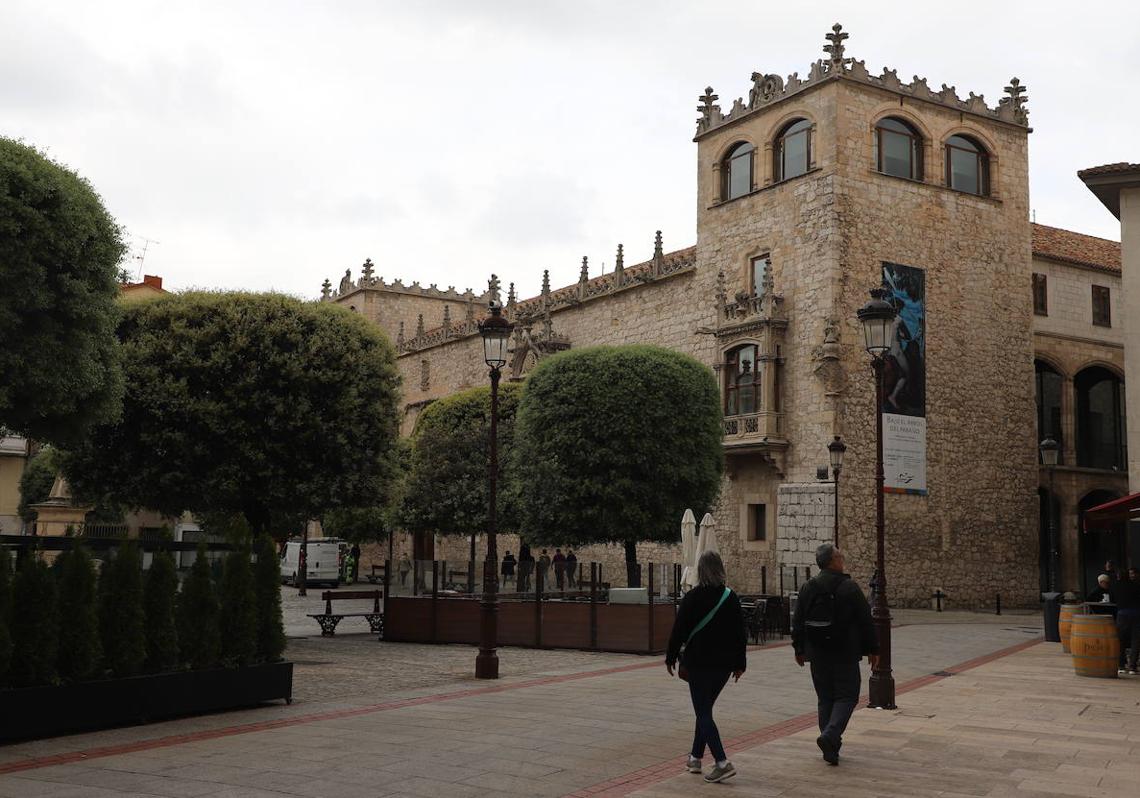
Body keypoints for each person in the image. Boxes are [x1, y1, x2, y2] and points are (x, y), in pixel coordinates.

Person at [792, 543, 879, 766]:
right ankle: (831, 735)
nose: (842, 559)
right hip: (844, 651)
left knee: (825, 698)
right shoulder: (849, 587)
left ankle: (831, 748)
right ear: (832, 561)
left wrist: (799, 648)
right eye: (839, 556)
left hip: (817, 651)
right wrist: (873, 649)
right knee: (847, 695)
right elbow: (865, 620)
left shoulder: (808, 587)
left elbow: (798, 620)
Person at [665, 550, 746, 784]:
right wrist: (740, 664)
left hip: (698, 663)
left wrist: (670, 657)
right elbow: (740, 634)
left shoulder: (692, 598)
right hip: (723, 666)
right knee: (705, 710)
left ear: (700, 571)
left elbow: (678, 631)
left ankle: (722, 762)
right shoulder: (730, 598)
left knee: (703, 712)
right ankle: (695, 757)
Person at [1112, 566, 1140, 674]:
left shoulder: (1116, 586)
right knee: (1135, 640)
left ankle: (1121, 665)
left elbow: (1113, 598)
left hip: (1122, 614)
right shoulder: (1136, 585)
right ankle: (1132, 666)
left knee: (1121, 640)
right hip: (1136, 614)